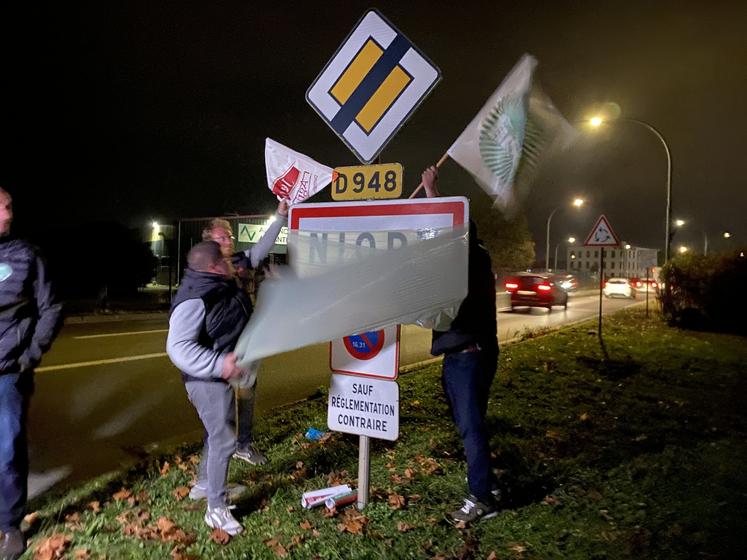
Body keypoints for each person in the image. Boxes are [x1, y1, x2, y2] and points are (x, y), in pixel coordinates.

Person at [421, 166, 501, 526]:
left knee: (471, 428)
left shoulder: (468, 257)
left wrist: (432, 195)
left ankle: (482, 498)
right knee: (470, 424)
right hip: (466, 353)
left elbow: (447, 234)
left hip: (468, 356)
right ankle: (491, 486)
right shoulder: (475, 255)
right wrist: (430, 194)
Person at [166, 241, 251, 535]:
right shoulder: (195, 298)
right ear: (214, 266)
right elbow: (178, 348)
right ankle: (215, 509)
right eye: (226, 260)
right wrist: (219, 364)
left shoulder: (213, 283)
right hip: (206, 382)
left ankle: (206, 486)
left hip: (215, 378)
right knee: (225, 440)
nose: (232, 261)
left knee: (217, 437)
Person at [0, 187, 63, 559]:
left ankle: (10, 524)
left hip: (9, 370)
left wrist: (31, 355)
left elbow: (51, 307)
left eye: (9, 207)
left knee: (7, 449)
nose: (9, 214)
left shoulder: (26, 255)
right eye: (3, 208)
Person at [201, 200, 288, 466]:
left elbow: (261, 249)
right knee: (221, 414)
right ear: (209, 242)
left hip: (245, 347)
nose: (229, 239)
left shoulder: (238, 261)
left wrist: (280, 216)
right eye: (223, 236)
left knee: (247, 397)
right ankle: (211, 471)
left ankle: (244, 445)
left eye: (230, 235)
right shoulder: (204, 271)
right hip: (220, 352)